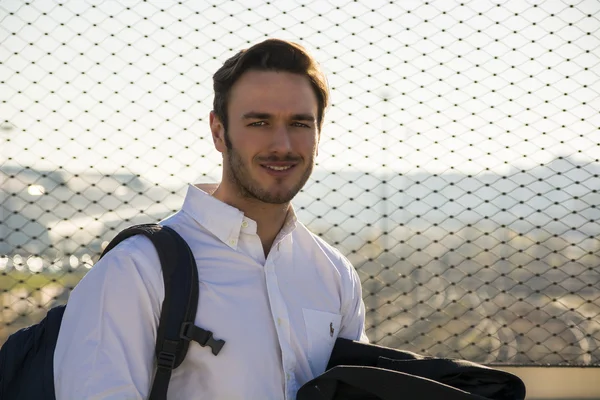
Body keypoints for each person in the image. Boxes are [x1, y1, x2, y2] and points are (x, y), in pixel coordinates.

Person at [53, 38, 368, 400]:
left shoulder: (335, 275)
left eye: (299, 123)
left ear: (318, 134)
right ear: (219, 131)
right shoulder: (135, 270)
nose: (282, 144)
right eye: (260, 122)